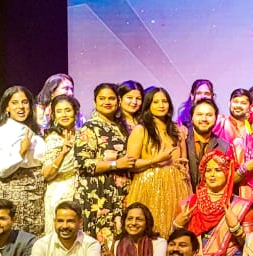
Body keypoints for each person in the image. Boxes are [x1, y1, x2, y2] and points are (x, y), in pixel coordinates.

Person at [124, 86, 191, 238]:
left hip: (175, 188)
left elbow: (183, 163)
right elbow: (131, 165)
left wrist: (182, 168)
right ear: (148, 105)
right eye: (156, 102)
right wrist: (156, 160)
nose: (161, 105)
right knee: (149, 233)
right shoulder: (141, 130)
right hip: (148, 187)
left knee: (175, 233)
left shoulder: (177, 130)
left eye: (164, 101)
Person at [175, 150, 253, 256]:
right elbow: (175, 244)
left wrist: (236, 229)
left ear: (227, 173)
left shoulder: (241, 207)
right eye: (208, 170)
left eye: (218, 170)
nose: (212, 175)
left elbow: (252, 247)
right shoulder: (189, 205)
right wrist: (177, 225)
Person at [74, 83, 134, 240]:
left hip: (120, 193)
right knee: (99, 241)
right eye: (102, 98)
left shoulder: (122, 127)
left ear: (118, 101)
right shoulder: (89, 127)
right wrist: (115, 164)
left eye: (111, 98)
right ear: (95, 102)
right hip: (97, 192)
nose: (107, 102)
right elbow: (82, 164)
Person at [0, 85, 47, 236]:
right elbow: (1, 170)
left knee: (37, 240)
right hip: (15, 192)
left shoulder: (35, 130)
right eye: (15, 103)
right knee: (17, 240)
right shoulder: (1, 134)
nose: (20, 107)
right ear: (7, 107)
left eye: (24, 102)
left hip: (38, 192)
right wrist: (21, 152)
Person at [41, 95, 81, 233]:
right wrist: (63, 153)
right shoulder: (53, 138)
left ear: (75, 112)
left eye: (67, 110)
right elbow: (46, 174)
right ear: (53, 115)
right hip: (59, 192)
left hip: (80, 190)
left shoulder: (83, 135)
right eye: (59, 111)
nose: (64, 115)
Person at [183, 98, 231, 190]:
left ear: (216, 118)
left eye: (209, 115)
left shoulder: (224, 146)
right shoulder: (182, 140)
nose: (204, 119)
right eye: (199, 114)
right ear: (192, 117)